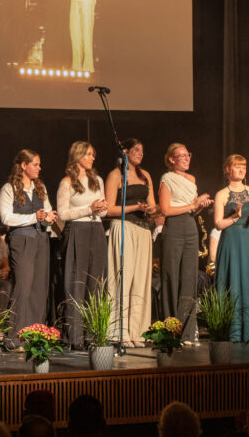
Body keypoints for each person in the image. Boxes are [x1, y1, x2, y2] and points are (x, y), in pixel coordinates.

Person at [0, 149, 58, 348]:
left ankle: (35, 336)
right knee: (23, 288)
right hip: (22, 240)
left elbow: (46, 211)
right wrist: (35, 217)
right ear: (23, 165)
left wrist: (49, 218)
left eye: (39, 164)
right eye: (35, 164)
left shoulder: (40, 187)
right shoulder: (9, 189)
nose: (39, 168)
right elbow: (6, 218)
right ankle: (14, 338)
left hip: (41, 239)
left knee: (39, 289)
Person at [104, 138, 157, 347]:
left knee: (141, 281)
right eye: (136, 150)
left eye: (142, 150)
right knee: (122, 279)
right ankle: (119, 331)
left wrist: (151, 209)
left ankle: (138, 331)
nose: (141, 153)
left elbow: (154, 206)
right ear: (125, 151)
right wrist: (135, 207)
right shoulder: (116, 175)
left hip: (143, 230)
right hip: (124, 226)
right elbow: (109, 209)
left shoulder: (146, 176)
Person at [158, 143, 213, 342]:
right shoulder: (167, 179)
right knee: (172, 276)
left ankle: (188, 331)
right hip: (174, 227)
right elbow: (165, 210)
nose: (186, 158)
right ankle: (171, 328)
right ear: (171, 159)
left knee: (189, 278)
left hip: (190, 227)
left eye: (188, 155)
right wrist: (193, 204)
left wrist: (200, 206)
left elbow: (192, 209)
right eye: (181, 156)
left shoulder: (191, 179)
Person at [57, 141, 108, 349]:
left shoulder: (97, 180)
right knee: (76, 284)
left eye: (93, 154)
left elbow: (103, 212)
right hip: (77, 231)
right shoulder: (67, 182)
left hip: (96, 230)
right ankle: (75, 337)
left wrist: (101, 208)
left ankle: (93, 334)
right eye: (88, 154)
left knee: (95, 283)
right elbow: (62, 214)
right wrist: (89, 208)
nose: (92, 158)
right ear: (77, 156)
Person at [212, 154, 249, 342]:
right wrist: (235, 216)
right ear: (228, 170)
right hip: (231, 242)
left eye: (244, 166)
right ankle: (233, 331)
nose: (242, 169)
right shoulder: (221, 194)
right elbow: (218, 224)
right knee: (233, 280)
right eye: (237, 166)